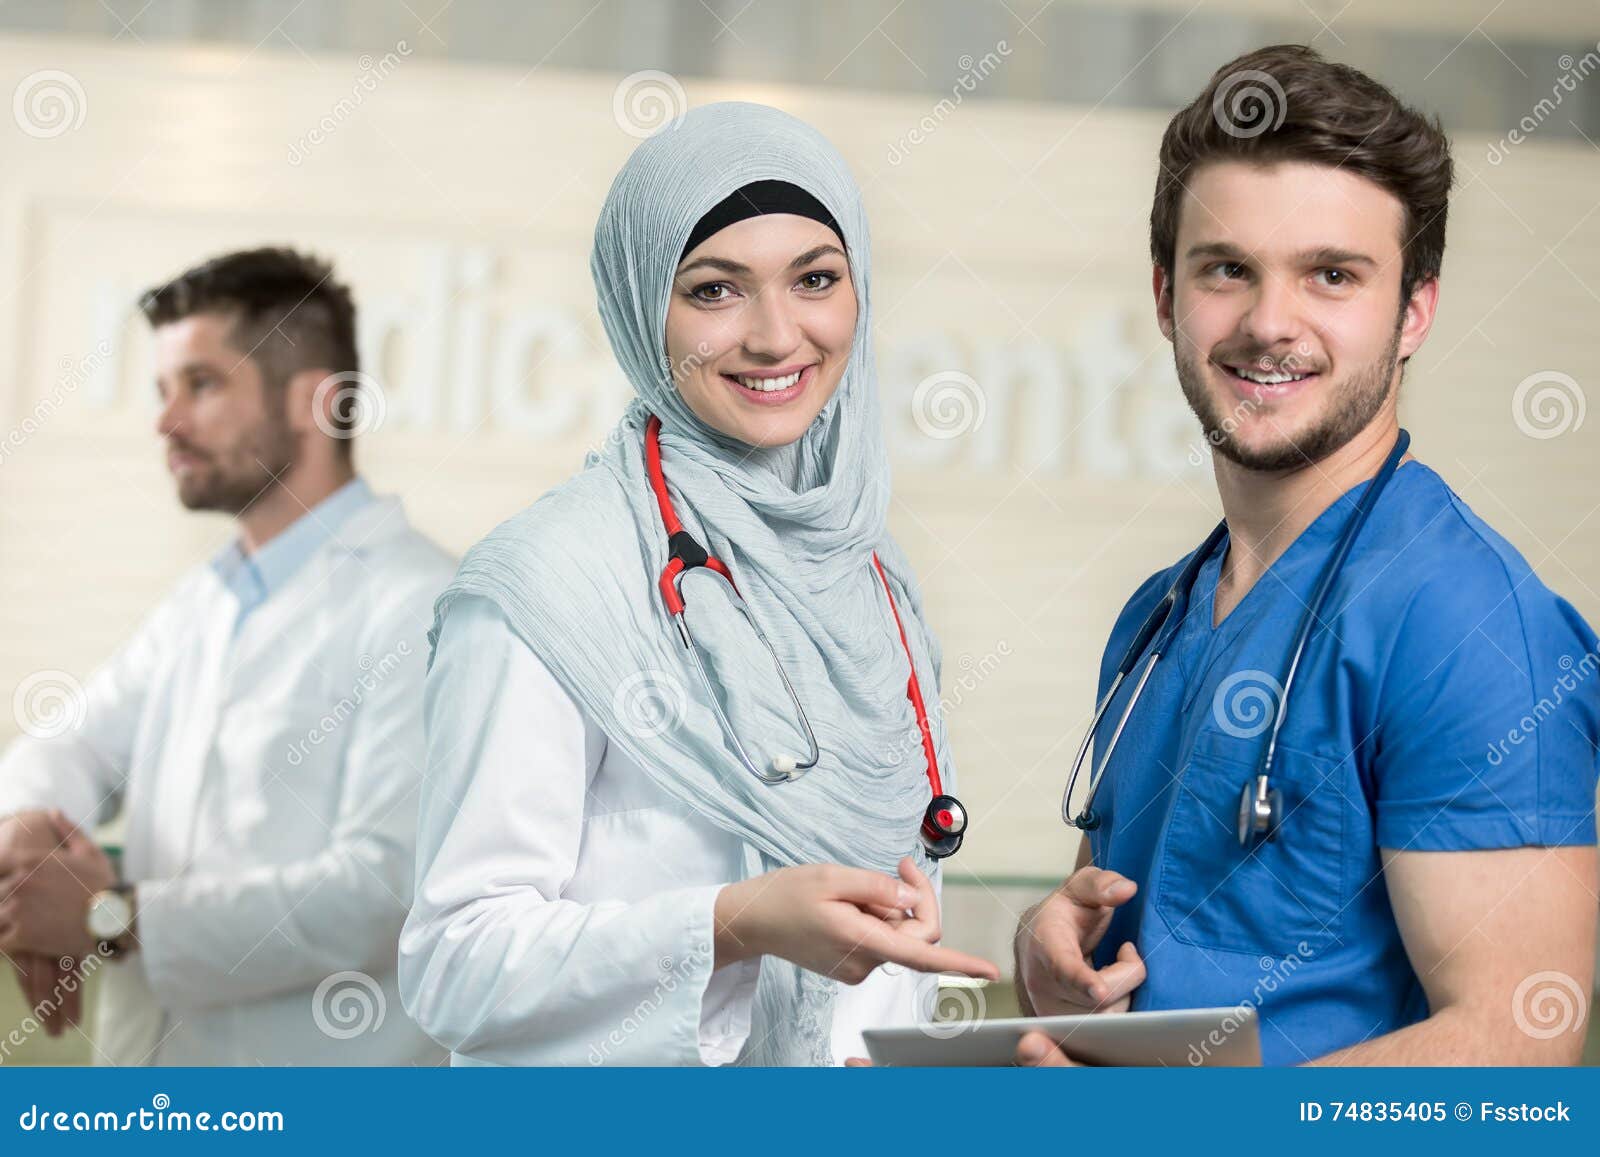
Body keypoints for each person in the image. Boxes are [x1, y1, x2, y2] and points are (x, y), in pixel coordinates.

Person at [1015, 45, 1598, 1066]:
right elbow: (1149, 969)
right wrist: (1051, 957)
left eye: (1331, 274)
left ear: (1413, 309)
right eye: (1226, 268)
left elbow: (1515, 1045)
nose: (1268, 323)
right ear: (1165, 295)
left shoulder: (1467, 626)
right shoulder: (1160, 615)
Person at [399, 102, 996, 1067]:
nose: (776, 335)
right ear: (643, 306)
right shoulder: (550, 582)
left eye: (815, 280)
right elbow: (454, 964)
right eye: (716, 290)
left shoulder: (871, 574)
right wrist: (734, 921)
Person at [0, 248, 453, 1065]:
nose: (166, 422)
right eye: (162, 391)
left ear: (315, 400)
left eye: (202, 385)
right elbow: (71, 742)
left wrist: (109, 916)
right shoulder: (203, 601)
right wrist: (29, 842)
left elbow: (382, 888)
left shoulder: (422, 606)